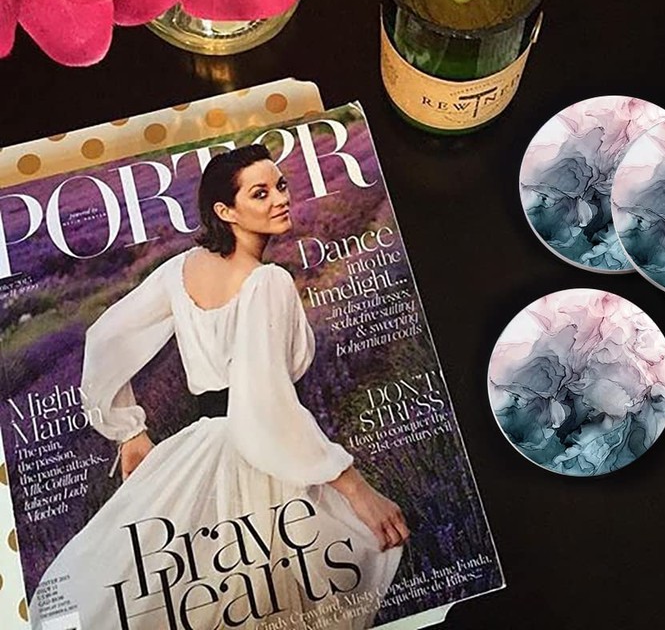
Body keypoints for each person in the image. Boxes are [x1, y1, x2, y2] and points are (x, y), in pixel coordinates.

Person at [31, 145, 407, 630]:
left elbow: (104, 337)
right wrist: (356, 488)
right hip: (263, 453)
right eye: (260, 193)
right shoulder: (269, 281)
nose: (280, 199)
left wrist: (130, 432)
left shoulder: (181, 268)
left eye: (280, 186)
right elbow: (267, 401)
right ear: (226, 212)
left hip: (198, 448)